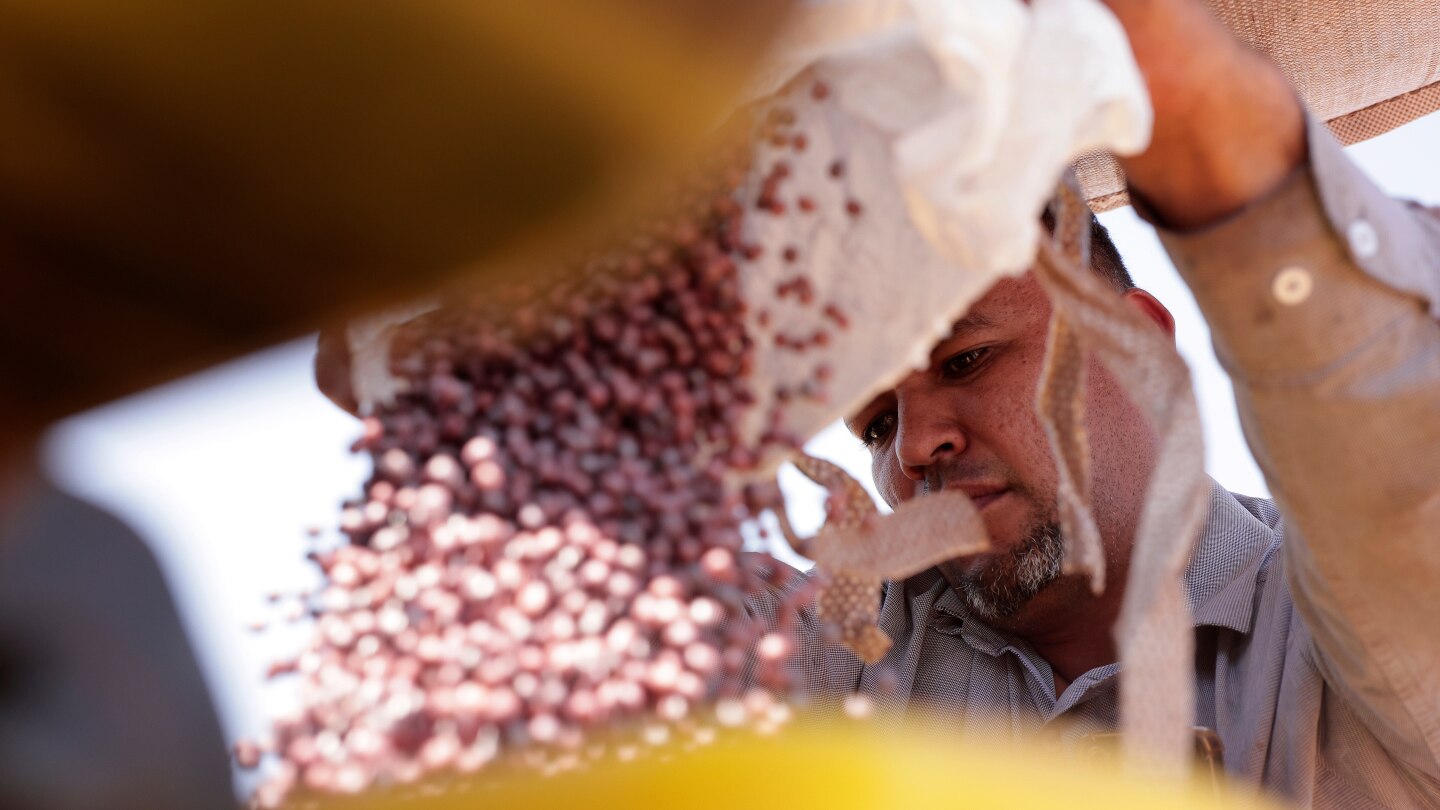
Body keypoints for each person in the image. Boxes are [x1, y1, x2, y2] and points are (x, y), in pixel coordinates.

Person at [761, 0, 1440, 806]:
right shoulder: (837, 659)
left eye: (967, 360)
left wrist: (1206, 127)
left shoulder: (1352, 637)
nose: (912, 447)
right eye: (875, 423)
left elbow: (1393, 472)